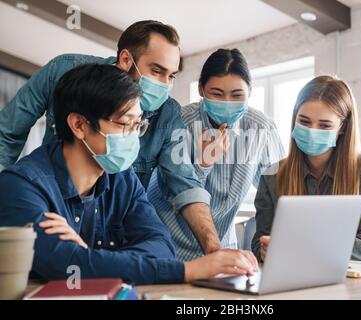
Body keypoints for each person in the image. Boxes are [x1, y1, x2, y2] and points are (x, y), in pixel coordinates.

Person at [0, 64, 258, 285]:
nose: (134, 136)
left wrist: (88, 257)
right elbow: (65, 266)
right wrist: (187, 270)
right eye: (125, 124)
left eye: (138, 125)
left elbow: (162, 246)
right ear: (78, 125)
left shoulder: (121, 177)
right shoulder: (21, 188)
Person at [0, 20, 222, 255]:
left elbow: (184, 184)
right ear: (126, 59)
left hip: (112, 236)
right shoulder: (64, 72)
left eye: (172, 76)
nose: (164, 85)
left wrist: (214, 248)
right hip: (54, 214)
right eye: (156, 71)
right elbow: (6, 135)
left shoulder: (167, 115)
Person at [148, 49, 285, 260]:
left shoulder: (261, 129)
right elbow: (165, 193)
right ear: (201, 89)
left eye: (237, 95)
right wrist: (202, 165)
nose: (227, 103)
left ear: (250, 91)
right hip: (170, 250)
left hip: (225, 250)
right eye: (217, 94)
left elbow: (278, 193)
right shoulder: (179, 122)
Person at [251, 75, 361, 263]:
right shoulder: (272, 175)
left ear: (343, 127)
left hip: (349, 282)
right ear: (294, 119)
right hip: (291, 280)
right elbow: (260, 240)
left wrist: (305, 248)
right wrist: (265, 249)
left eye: (324, 125)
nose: (312, 130)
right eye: (304, 121)